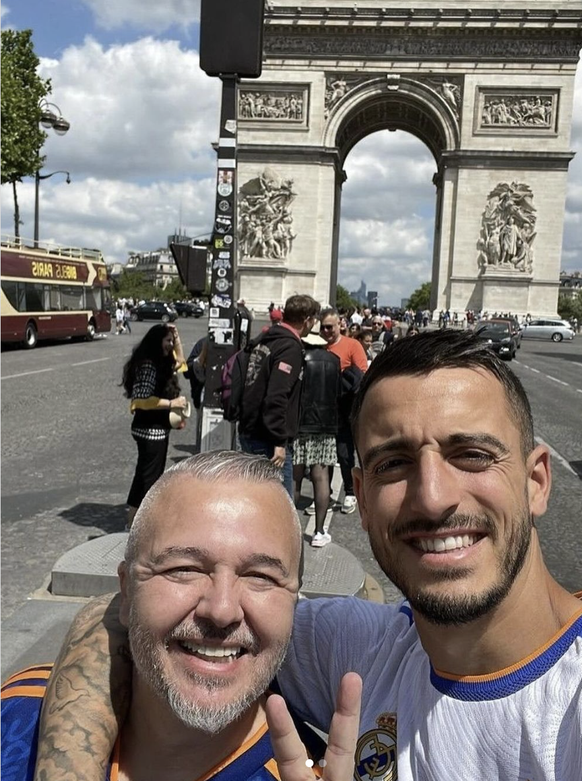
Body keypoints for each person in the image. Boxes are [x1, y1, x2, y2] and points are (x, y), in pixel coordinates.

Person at [26, 331, 582, 780]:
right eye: (393, 463)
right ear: (360, 500)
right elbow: (132, 617)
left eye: (472, 454)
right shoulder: (358, 648)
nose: (433, 496)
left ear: (536, 482)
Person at [2, 451, 361, 780]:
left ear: (295, 604)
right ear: (126, 592)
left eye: (260, 577)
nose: (221, 610)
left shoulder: (304, 772)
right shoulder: (16, 712)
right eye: (184, 568)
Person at [238, 294, 320, 497]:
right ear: (307, 319)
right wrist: (279, 440)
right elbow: (277, 395)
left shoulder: (267, 339)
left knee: (257, 499)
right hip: (268, 440)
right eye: (314, 319)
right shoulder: (290, 348)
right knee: (279, 506)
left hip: (250, 428)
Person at [122, 323, 188, 528]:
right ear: (156, 341)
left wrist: (176, 337)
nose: (170, 344)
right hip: (150, 429)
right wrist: (172, 403)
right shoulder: (149, 365)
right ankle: (141, 525)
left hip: (155, 428)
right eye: (167, 340)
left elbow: (182, 363)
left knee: (145, 475)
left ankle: (135, 521)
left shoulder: (159, 362)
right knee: (149, 478)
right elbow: (141, 400)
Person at [293, 322, 341, 547]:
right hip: (326, 427)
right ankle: (320, 531)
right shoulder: (335, 361)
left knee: (294, 478)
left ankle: (289, 531)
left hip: (301, 425)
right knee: (321, 478)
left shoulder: (301, 359)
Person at [320, 307, 368, 514]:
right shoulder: (316, 346)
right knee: (324, 454)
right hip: (322, 407)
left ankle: (350, 492)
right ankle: (325, 495)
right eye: (322, 328)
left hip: (345, 407)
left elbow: (362, 374)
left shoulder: (352, 345)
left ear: (340, 324)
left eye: (329, 327)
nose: (326, 331)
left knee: (344, 453)